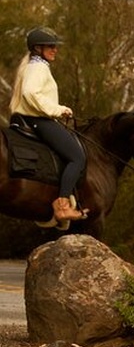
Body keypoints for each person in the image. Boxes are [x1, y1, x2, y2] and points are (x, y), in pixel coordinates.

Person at [9, 27, 88, 225]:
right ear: (38, 48)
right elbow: (30, 93)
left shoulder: (34, 65)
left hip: (32, 119)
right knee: (77, 157)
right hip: (39, 120)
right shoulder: (38, 67)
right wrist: (57, 110)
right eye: (50, 46)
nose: (55, 50)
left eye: (55, 46)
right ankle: (62, 206)